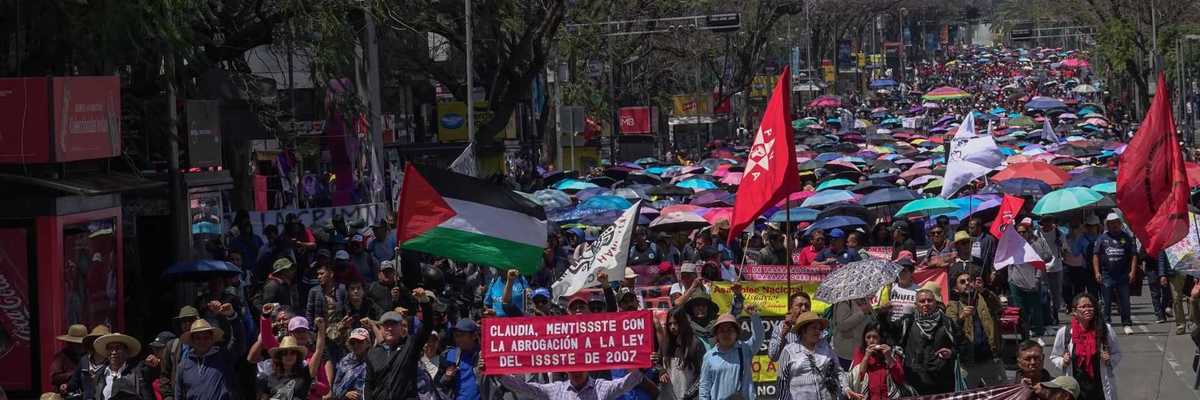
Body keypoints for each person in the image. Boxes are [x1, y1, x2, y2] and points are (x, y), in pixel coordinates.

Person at [877, 283, 962, 395]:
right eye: (922, 301)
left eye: (929, 300)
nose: (926, 304)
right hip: (915, 380)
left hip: (942, 381)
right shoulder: (907, 322)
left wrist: (951, 352)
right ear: (916, 304)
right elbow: (889, 332)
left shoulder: (947, 323)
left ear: (936, 303)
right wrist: (883, 315)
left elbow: (962, 344)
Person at [364, 288, 437, 400]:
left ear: (401, 327)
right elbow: (369, 385)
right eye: (386, 325)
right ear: (381, 329)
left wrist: (424, 301)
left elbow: (428, 325)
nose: (389, 328)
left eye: (393, 324)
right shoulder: (372, 353)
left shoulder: (410, 345)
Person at [1051, 293, 1121, 400]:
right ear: (1074, 311)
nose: (1088, 309)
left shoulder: (1105, 329)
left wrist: (1109, 360)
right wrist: (1063, 361)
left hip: (1100, 388)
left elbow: (1117, 353)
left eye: (1090, 306)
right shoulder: (1065, 332)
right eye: (1083, 307)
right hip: (1076, 388)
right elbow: (1054, 356)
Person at [945, 272, 1005, 388]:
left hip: (991, 359)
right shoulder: (953, 306)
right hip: (968, 363)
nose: (967, 283)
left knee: (1000, 393)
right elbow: (949, 329)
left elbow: (998, 307)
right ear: (956, 289)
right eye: (962, 282)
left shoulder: (984, 298)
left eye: (969, 280)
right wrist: (961, 317)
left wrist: (984, 291)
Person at [176, 302, 246, 400]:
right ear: (192, 340)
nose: (202, 341)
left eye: (206, 337)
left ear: (212, 339)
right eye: (198, 338)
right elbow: (179, 395)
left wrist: (231, 315)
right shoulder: (183, 366)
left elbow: (238, 340)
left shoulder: (224, 356)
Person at [698, 307, 763, 400]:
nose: (726, 334)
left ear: (736, 333)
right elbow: (704, 387)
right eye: (722, 330)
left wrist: (754, 316)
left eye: (729, 330)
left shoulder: (745, 350)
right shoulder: (709, 357)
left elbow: (759, 336)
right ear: (716, 334)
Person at [776, 312, 843, 400]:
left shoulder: (826, 348)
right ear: (803, 331)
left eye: (819, 329)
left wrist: (846, 388)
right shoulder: (789, 351)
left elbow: (838, 371)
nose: (818, 331)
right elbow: (782, 384)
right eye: (814, 328)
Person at [1092, 213, 1136, 327]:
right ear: (1107, 225)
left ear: (1120, 223)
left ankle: (1126, 322)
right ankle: (1106, 323)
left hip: (1123, 275)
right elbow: (1095, 255)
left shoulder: (1126, 237)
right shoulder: (1102, 238)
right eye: (1111, 223)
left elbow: (1133, 255)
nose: (1114, 225)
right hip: (1107, 275)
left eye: (1116, 222)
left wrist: (1132, 271)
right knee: (1106, 301)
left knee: (1125, 301)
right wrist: (1097, 272)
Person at [495, 368, 644, 400]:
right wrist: (497, 373)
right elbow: (525, 388)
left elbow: (624, 384)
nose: (576, 372)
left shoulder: (601, 387)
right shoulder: (555, 390)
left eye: (580, 368)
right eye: (572, 369)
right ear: (566, 371)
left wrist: (642, 368)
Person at [846, 322, 905, 400]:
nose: (871, 340)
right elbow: (857, 378)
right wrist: (866, 357)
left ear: (881, 338)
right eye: (868, 337)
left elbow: (900, 378)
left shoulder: (892, 352)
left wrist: (888, 357)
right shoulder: (860, 353)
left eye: (875, 337)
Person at [657, 308, 704, 400]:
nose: (673, 327)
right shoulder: (665, 343)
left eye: (676, 323)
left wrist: (688, 395)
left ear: (683, 323)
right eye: (670, 324)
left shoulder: (695, 344)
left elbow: (703, 375)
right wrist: (661, 371)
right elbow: (658, 364)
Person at [93, 333, 153, 400]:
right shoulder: (100, 375)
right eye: (111, 348)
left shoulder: (137, 373)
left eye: (118, 348)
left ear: (126, 352)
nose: (114, 352)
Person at [1010, 223, 1045, 338]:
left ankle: (1039, 331)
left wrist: (1037, 279)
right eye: (1018, 232)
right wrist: (1010, 278)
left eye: (1023, 232)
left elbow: (1040, 264)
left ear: (1028, 232)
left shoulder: (1035, 245)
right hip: (1016, 281)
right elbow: (1010, 263)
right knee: (1020, 309)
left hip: (1031, 282)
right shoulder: (1013, 246)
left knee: (1034, 308)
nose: (1021, 234)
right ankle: (1024, 332)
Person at [436, 319, 481, 400]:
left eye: (462, 335)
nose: (458, 339)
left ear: (474, 336)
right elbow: (437, 385)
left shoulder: (485, 355)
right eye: (456, 335)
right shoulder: (448, 356)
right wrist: (446, 377)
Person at [257, 336, 313, 400]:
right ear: (280, 357)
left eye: (292, 352)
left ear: (297, 356)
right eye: (285, 353)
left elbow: (319, 351)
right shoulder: (271, 378)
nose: (289, 356)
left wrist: (321, 330)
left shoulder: (304, 375)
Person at [66, 325, 111, 400]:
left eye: (103, 341)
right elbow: (74, 382)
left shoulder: (112, 362)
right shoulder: (84, 360)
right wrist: (66, 386)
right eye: (96, 340)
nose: (99, 343)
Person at [829, 298, 873, 370]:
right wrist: (862, 312)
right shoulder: (844, 302)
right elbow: (842, 325)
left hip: (862, 350)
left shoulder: (864, 299)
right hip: (847, 354)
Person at [769, 292, 812, 361]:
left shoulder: (816, 328)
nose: (804, 309)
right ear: (790, 309)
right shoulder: (781, 327)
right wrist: (783, 334)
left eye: (807, 306)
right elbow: (773, 356)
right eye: (799, 305)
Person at [1038, 216, 1065, 325]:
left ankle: (1055, 312)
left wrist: (1061, 246)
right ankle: (1049, 316)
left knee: (1057, 293)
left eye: (1050, 220)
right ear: (1042, 222)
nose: (1048, 223)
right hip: (1043, 267)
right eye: (1045, 221)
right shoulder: (1037, 234)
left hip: (1057, 267)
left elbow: (1065, 250)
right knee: (1045, 293)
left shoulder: (1059, 234)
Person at [331, 328, 371, 400]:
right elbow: (335, 386)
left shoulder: (373, 361)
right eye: (352, 342)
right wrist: (345, 393)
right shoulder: (345, 362)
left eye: (359, 341)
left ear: (367, 343)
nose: (355, 345)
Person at [1072, 216, 1102, 298]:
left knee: (1103, 292)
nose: (1091, 228)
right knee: (1092, 292)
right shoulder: (1081, 238)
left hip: (1102, 268)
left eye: (1093, 226)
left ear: (1097, 226)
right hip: (1087, 269)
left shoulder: (1103, 238)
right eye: (1089, 226)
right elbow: (1075, 253)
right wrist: (1077, 238)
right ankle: (1096, 308)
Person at [51, 324, 87, 391]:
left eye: (81, 344)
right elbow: (55, 378)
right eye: (76, 344)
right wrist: (75, 374)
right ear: (70, 343)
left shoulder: (87, 356)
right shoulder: (61, 356)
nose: (79, 346)